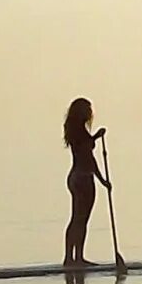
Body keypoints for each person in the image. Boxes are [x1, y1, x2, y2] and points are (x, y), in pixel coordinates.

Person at [61, 97, 112, 267]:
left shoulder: (74, 130)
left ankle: (71, 258)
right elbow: (88, 156)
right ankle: (76, 259)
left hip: (76, 176)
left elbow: (89, 157)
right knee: (81, 219)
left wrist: (102, 181)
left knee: (77, 218)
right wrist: (97, 136)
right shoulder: (79, 132)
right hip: (83, 179)